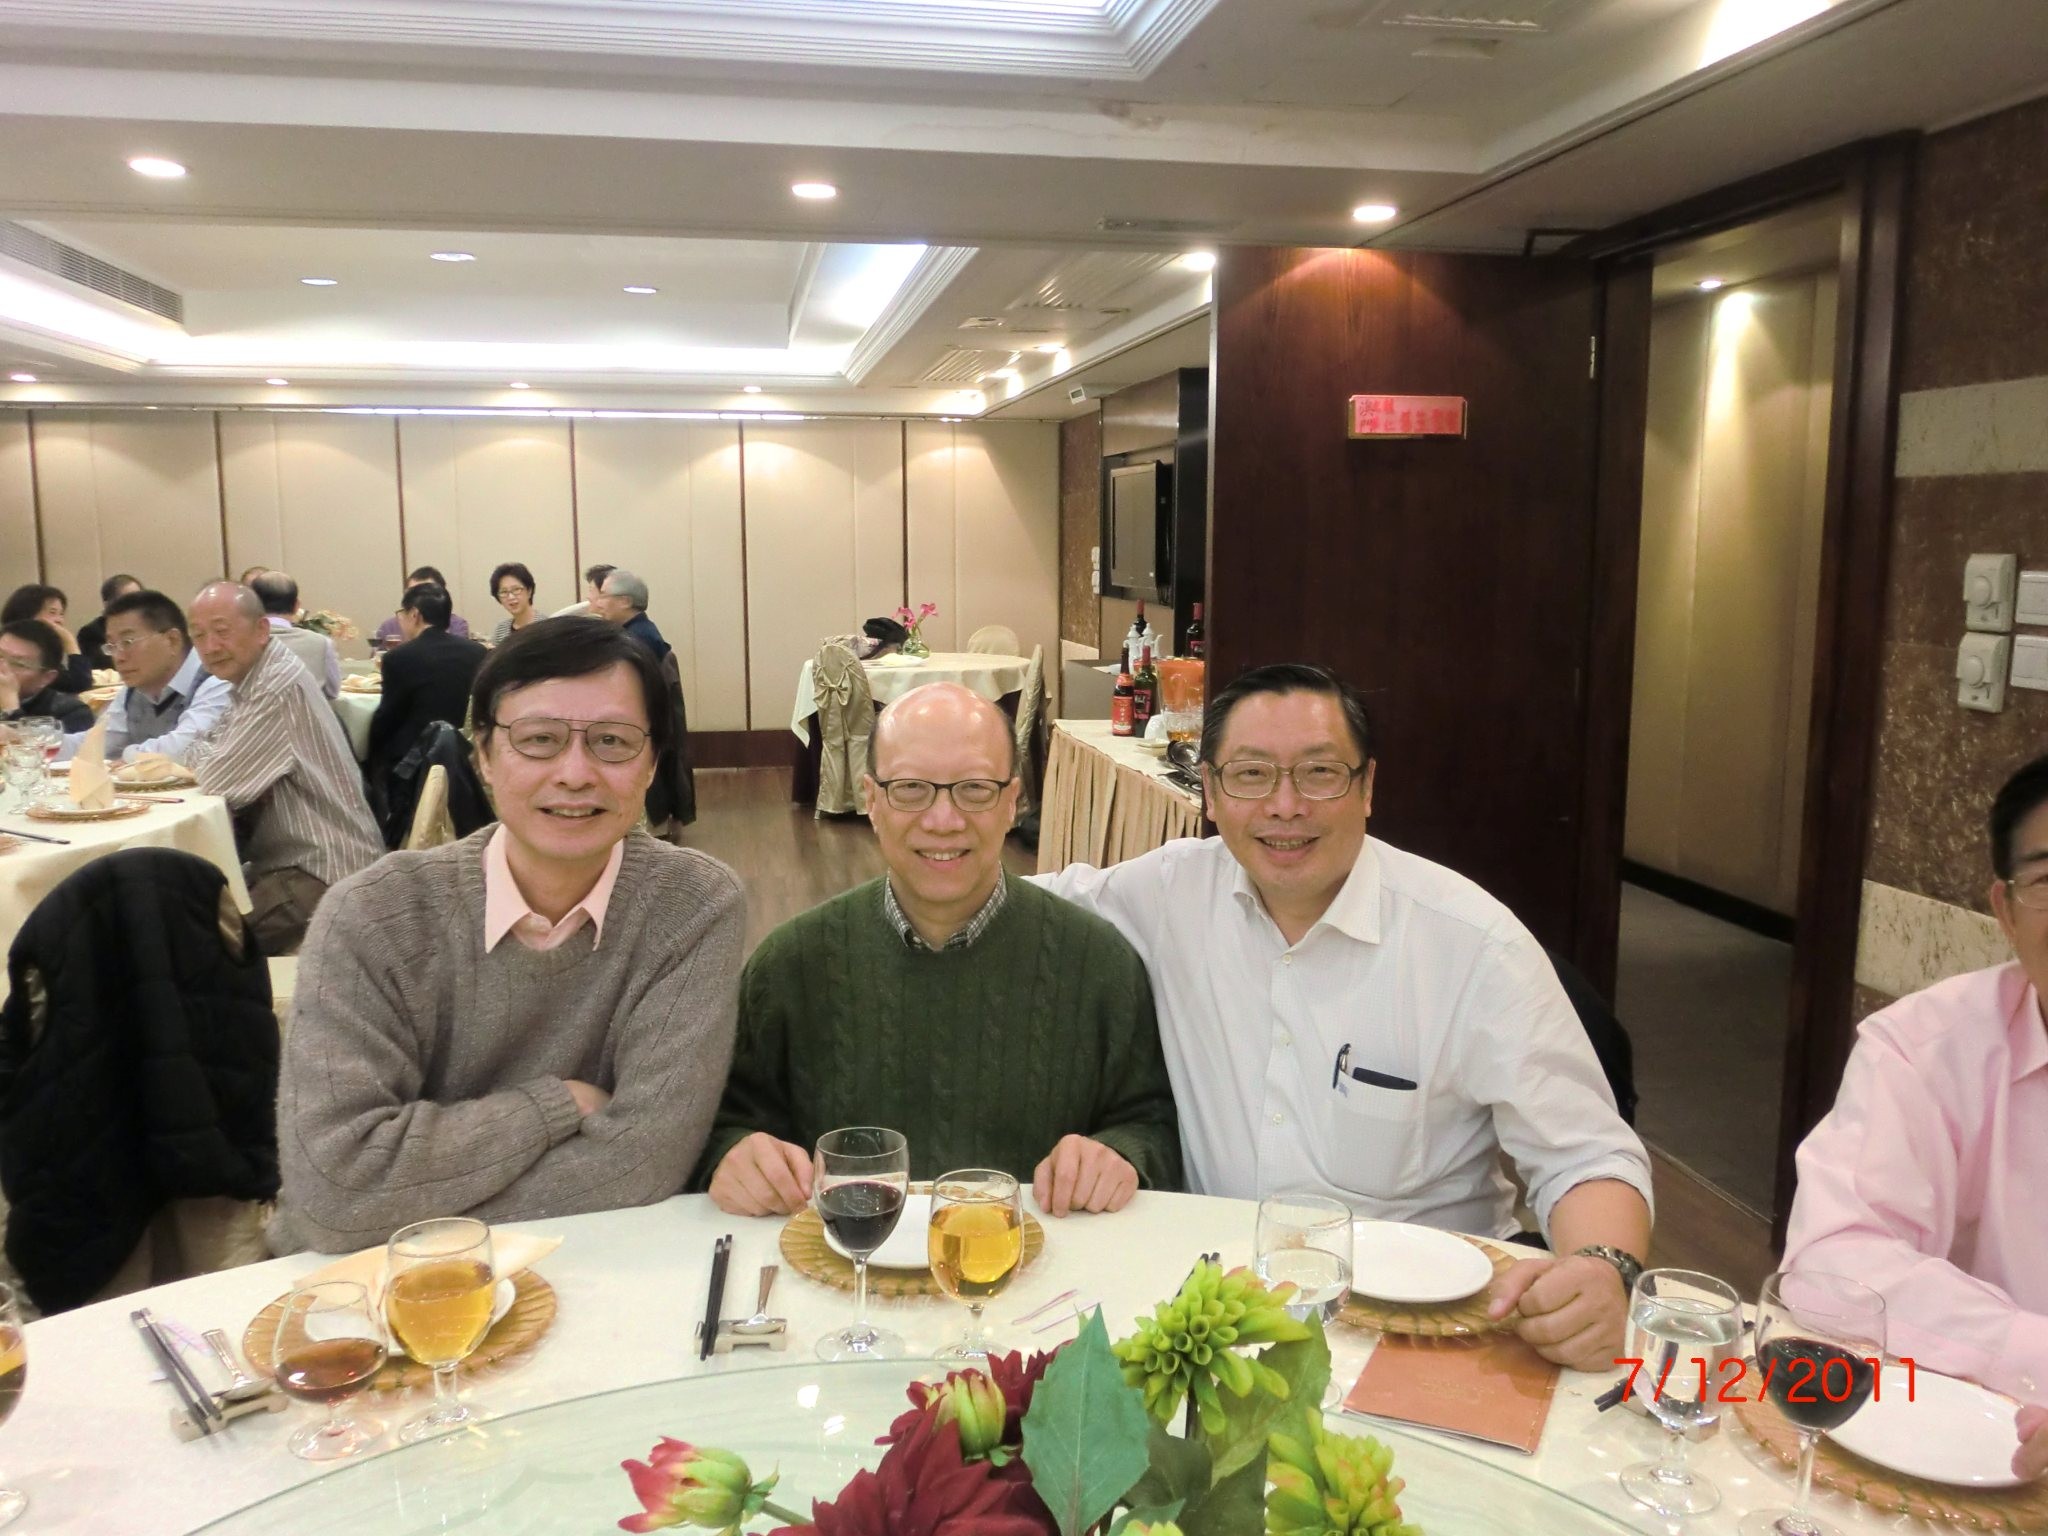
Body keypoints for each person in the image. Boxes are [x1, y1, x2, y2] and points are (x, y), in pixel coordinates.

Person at [1038, 663, 1652, 1371]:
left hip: (1425, 1333)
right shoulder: (1170, 891)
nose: (1285, 805)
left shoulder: (1474, 946)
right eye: (1251, 775)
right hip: (1222, 1318)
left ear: (1367, 788)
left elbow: (1587, 1155)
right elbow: (1013, 903)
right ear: (1208, 790)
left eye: (1320, 773)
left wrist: (1604, 1268)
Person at [272, 618, 745, 1252]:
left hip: (596, 1267)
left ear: (652, 764)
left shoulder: (690, 905)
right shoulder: (373, 916)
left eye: (612, 741)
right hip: (369, 1288)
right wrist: (556, 1106)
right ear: (484, 758)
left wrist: (393, 1199)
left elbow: (642, 1165)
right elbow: (334, 1197)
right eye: (539, 739)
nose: (575, 773)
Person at [701, 682, 1178, 1218]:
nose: (943, 820)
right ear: (870, 800)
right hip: (845, 1262)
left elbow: (1152, 1123)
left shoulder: (1099, 965)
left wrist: (1120, 1155)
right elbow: (723, 1122)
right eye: (910, 789)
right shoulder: (790, 966)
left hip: (1045, 1260)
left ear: (1013, 802)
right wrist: (733, 1155)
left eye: (975, 789)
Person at [1784, 751, 2048, 1422]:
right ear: (2007, 911)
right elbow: (1834, 1268)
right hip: (1975, 1441)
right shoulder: (1927, 1047)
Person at [185, 582, 382, 956]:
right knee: (191, 911)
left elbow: (215, 780)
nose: (210, 646)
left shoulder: (275, 685)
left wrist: (204, 758)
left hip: (323, 870)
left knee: (199, 946)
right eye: (198, 635)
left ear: (261, 629)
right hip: (292, 863)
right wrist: (206, 756)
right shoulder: (255, 678)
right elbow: (204, 748)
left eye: (222, 631)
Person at [56, 589, 231, 763]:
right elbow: (97, 743)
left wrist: (129, 753)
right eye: (112, 646)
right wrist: (47, 743)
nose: (118, 657)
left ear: (172, 640)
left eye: (127, 642)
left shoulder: (217, 680)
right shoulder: (133, 690)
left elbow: (186, 748)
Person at [367, 582, 486, 837]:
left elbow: (388, 716)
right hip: (465, 756)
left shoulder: (398, 658)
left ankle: (389, 833)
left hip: (413, 761)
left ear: (415, 615)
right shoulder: (476, 653)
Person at [250, 571, 341, 700]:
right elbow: (333, 692)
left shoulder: (240, 641)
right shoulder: (322, 643)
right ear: (297, 606)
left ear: (252, 606)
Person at [0, 620, 95, 732]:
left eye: (18, 664)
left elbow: (36, 743)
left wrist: (11, 709)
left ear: (47, 678)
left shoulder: (72, 713)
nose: (2, 667)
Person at [0, 584, 92, 694]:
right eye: (52, 613)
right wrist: (70, 642)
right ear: (28, 614)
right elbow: (80, 683)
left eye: (61, 614)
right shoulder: (16, 646)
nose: (59, 620)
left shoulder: (42, 646)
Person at [371, 566, 471, 648]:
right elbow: (377, 660)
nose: (417, 599)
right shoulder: (389, 626)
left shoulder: (456, 625)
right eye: (411, 592)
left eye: (425, 592)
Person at [592, 569, 670, 662]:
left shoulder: (636, 638)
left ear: (625, 602)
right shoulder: (638, 630)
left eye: (603, 596)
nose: (598, 604)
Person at [76, 572, 142, 672]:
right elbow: (104, 667)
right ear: (108, 605)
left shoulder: (150, 626)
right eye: (128, 600)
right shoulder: (91, 633)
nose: (136, 605)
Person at [489, 561, 540, 643]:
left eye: (516, 589)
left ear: (529, 591)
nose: (511, 597)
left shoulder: (545, 626)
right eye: (504, 592)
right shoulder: (500, 630)